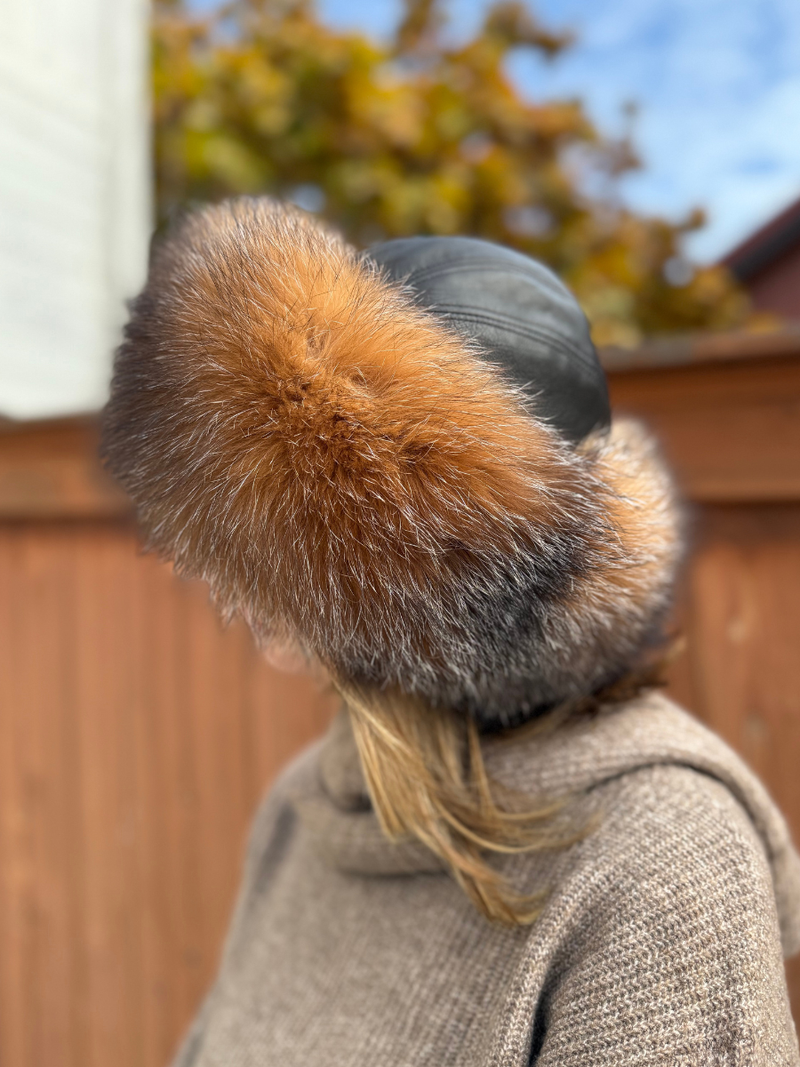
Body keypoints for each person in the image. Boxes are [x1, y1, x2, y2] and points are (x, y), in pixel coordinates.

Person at [102, 198, 800, 1065]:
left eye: (305, 536)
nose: (232, 587)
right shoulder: (304, 806)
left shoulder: (661, 857)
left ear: (441, 564)